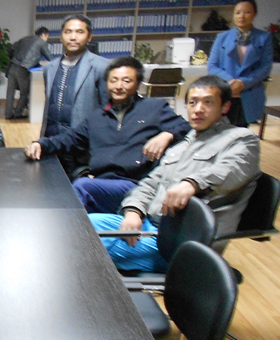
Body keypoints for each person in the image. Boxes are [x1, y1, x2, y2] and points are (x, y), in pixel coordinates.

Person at [89, 75, 261, 272]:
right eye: (193, 102)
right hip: (151, 227)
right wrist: (134, 211)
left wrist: (191, 183)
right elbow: (150, 182)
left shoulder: (242, 139)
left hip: (182, 245)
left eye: (208, 102)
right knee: (81, 225)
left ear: (225, 107)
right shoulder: (186, 142)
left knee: (83, 244)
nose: (198, 109)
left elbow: (230, 169)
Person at [25, 56, 191, 213]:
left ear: (137, 84)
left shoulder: (154, 108)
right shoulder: (97, 117)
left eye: (126, 81)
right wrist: (41, 144)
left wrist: (167, 134)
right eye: (113, 80)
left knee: (82, 187)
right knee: (62, 192)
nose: (119, 86)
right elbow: (69, 139)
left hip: (137, 186)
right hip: (102, 183)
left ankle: (68, 230)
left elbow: (186, 127)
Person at [39, 14, 109, 175]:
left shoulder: (101, 67)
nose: (73, 37)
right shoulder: (50, 68)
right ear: (61, 36)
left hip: (82, 147)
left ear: (89, 36)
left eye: (79, 32)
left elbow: (107, 110)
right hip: (51, 143)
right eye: (68, 32)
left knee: (77, 187)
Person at [208, 0, 274, 128]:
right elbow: (212, 66)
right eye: (237, 13)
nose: (241, 16)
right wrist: (231, 82)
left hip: (249, 91)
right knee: (220, 130)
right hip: (225, 91)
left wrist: (243, 83)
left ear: (254, 14)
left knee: (241, 131)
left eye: (247, 12)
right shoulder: (222, 37)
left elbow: (265, 66)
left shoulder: (264, 37)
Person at [5, 26, 54, 119]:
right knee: (24, 93)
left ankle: (8, 115)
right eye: (47, 36)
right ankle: (17, 113)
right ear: (44, 35)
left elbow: (11, 48)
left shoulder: (25, 38)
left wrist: (13, 58)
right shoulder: (42, 42)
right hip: (23, 69)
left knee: (10, 92)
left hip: (13, 66)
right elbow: (50, 58)